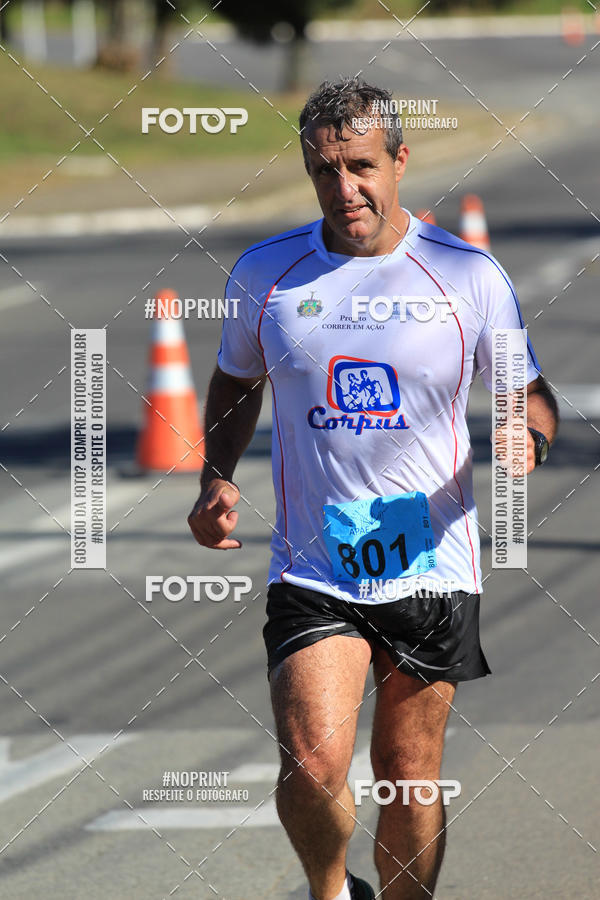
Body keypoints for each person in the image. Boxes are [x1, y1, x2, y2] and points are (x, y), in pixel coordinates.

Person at [188, 77, 558, 900]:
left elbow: (529, 392)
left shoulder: (466, 276)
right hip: (315, 567)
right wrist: (216, 476)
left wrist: (525, 436)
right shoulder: (268, 274)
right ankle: (330, 893)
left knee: (407, 771)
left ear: (399, 159)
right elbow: (234, 381)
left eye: (360, 166)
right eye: (324, 170)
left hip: (432, 565)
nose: (343, 189)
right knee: (313, 762)